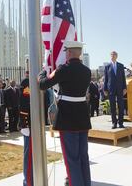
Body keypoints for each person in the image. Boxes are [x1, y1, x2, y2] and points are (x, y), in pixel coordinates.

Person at [38, 41, 92, 186]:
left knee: (71, 159)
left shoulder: (64, 69)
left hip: (67, 118)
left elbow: (43, 84)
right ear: (79, 53)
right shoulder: (87, 71)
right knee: (82, 157)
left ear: (69, 53)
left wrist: (43, 73)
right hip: (82, 117)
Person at [103, 51, 127, 129]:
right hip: (111, 89)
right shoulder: (107, 66)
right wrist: (105, 89)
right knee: (112, 106)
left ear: (117, 56)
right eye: (111, 54)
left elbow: (123, 78)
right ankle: (114, 123)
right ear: (110, 56)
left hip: (120, 88)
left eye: (114, 54)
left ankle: (121, 123)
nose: (113, 56)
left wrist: (124, 88)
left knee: (121, 106)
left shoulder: (121, 65)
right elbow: (106, 79)